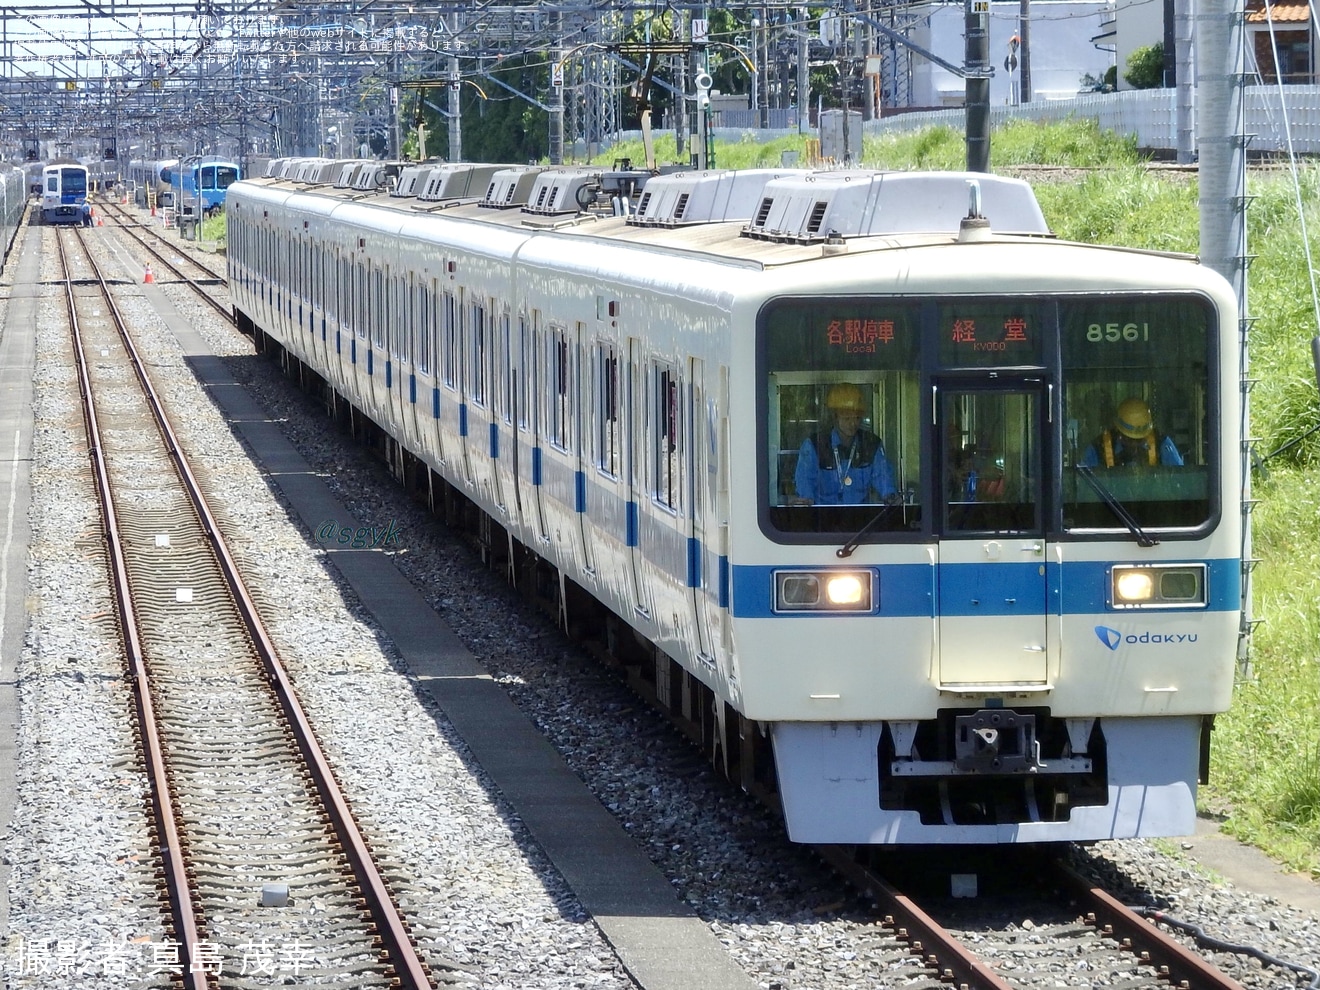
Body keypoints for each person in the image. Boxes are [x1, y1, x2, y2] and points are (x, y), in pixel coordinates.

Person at [793, 383, 897, 504]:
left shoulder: (871, 445)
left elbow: (884, 478)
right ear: (835, 417)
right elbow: (805, 482)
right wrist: (806, 500)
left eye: (857, 418)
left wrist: (890, 496)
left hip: (863, 520)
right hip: (823, 519)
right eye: (847, 418)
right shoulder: (814, 445)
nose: (853, 424)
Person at [1079, 396, 1183, 468]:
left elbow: (1180, 484)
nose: (1134, 445)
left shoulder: (1163, 445)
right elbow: (1083, 487)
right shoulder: (1097, 450)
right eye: (1129, 439)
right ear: (1118, 431)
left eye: (1140, 440)